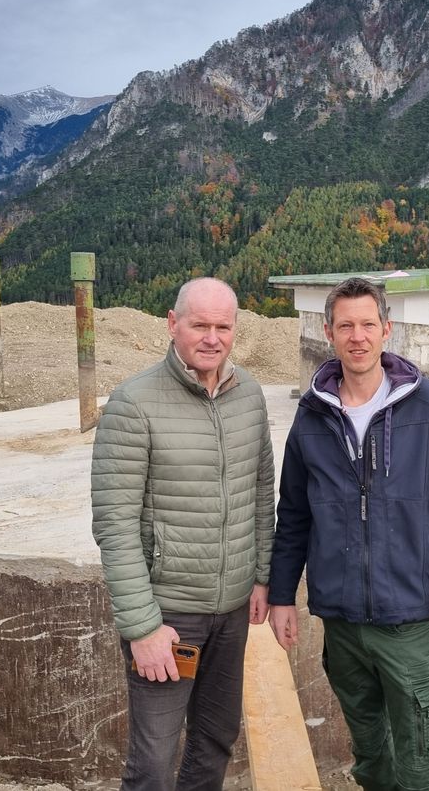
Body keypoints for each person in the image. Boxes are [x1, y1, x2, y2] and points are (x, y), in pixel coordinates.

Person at [268, 276, 429, 791]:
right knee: (371, 755)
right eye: (345, 325)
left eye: (368, 324)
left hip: (406, 623)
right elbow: (295, 515)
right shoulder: (311, 418)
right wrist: (282, 596)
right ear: (329, 332)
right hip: (341, 625)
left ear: (386, 329)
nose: (357, 336)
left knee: (420, 759)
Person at [92, 277, 275, 791]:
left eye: (223, 326)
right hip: (168, 616)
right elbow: (114, 523)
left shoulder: (250, 397)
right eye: (200, 325)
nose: (212, 338)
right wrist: (143, 628)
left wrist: (261, 577)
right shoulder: (133, 405)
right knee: (153, 761)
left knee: (215, 741)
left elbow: (262, 491)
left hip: (233, 610)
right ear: (173, 325)